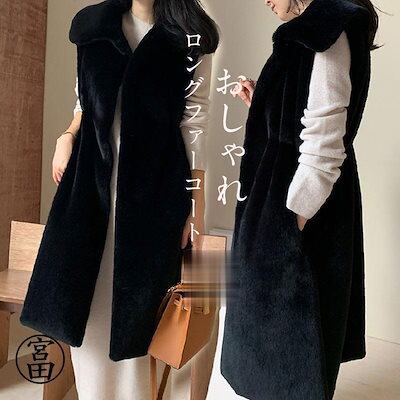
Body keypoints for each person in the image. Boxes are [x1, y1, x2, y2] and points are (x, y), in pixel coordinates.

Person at [20, 0, 219, 399]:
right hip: (89, 192)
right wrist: (66, 136)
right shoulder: (93, 27)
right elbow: (84, 102)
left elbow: (194, 127)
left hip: (155, 197)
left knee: (139, 318)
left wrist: (193, 211)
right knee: (86, 312)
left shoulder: (191, 37)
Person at [220, 0, 379, 399]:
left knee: (291, 341)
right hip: (282, 193)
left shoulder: (327, 30)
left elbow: (325, 140)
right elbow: (304, 110)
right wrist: (263, 100)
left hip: (296, 199)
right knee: (273, 337)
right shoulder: (312, 31)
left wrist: (290, 221)